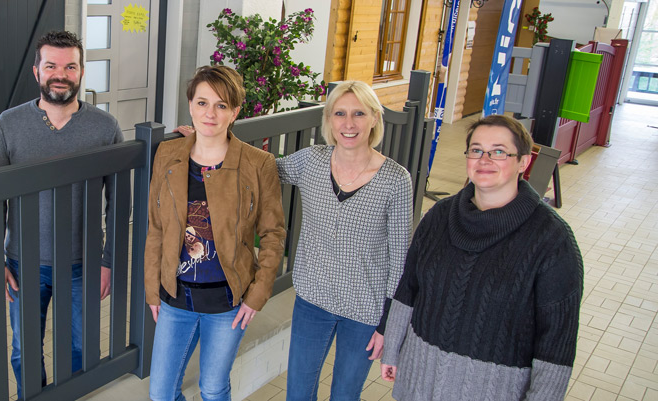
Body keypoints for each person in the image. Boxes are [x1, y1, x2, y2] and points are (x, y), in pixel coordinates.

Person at [380, 114, 583, 400]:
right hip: (419, 378)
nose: (484, 160)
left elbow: (556, 341)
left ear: (522, 162)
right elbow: (409, 288)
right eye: (476, 150)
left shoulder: (552, 239)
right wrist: (392, 349)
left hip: (491, 389)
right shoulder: (438, 216)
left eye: (499, 151)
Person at [0, 30, 123, 399]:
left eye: (70, 66)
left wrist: (108, 261)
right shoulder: (8, 125)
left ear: (80, 72)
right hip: (22, 265)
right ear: (37, 72)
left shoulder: (105, 127)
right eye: (51, 66)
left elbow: (118, 201)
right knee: (24, 351)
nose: (60, 74)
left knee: (80, 350)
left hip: (83, 265)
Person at [144, 65, 286, 401]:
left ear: (235, 112)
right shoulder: (167, 154)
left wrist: (258, 292)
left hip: (228, 301)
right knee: (161, 392)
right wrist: (152, 289)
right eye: (202, 103)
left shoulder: (258, 163)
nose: (210, 113)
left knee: (213, 388)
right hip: (175, 297)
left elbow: (273, 233)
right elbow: (155, 227)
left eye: (221, 105)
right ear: (190, 105)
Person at [275, 80, 413, 400]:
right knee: (297, 393)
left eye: (358, 114)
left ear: (375, 118)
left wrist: (388, 326)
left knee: (345, 396)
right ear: (329, 119)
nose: (348, 124)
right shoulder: (312, 161)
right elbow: (263, 169)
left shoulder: (395, 180)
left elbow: (401, 261)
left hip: (366, 311)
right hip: (312, 300)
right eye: (339, 113)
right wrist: (216, 138)